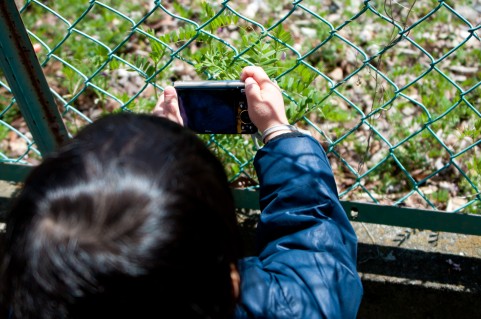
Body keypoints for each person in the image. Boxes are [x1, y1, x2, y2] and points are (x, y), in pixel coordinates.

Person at [0, 66, 362, 318]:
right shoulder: (290, 308)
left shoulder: (33, 298)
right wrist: (280, 135)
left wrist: (152, 153)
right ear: (225, 264)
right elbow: (315, 244)